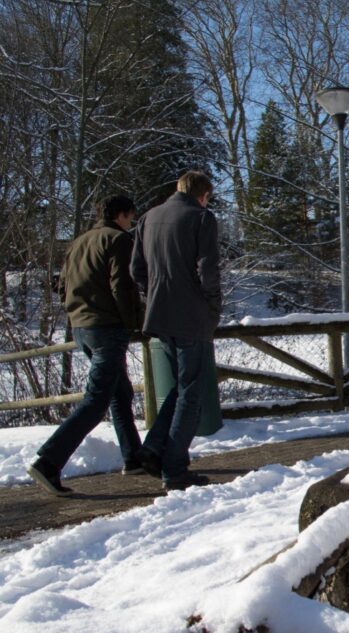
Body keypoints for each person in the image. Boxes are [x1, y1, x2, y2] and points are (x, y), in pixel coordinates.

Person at [27, 195, 144, 496]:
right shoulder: (118, 240)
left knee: (120, 393)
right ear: (121, 214)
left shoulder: (78, 242)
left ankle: (134, 457)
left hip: (80, 327)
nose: (132, 221)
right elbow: (122, 285)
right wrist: (134, 321)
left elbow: (61, 284)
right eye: (131, 215)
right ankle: (48, 461)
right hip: (107, 328)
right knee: (96, 401)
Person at [131, 171, 222, 491]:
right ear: (203, 194)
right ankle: (175, 468)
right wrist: (212, 307)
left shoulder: (147, 219)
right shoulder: (201, 218)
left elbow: (136, 270)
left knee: (180, 389)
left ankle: (154, 448)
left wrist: (154, 294)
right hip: (192, 316)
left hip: (159, 315)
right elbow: (208, 268)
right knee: (191, 394)